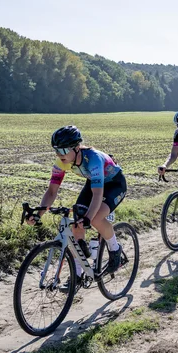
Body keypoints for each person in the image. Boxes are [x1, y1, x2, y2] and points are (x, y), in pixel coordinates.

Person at [27, 125, 127, 292]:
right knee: (76, 226)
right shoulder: (61, 162)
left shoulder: (93, 159)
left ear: (76, 147)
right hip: (93, 182)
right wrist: (39, 214)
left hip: (115, 184)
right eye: (56, 150)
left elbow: (97, 195)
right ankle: (78, 276)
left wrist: (88, 218)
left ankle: (115, 250)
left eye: (64, 150)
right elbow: (52, 191)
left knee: (94, 219)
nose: (60, 154)